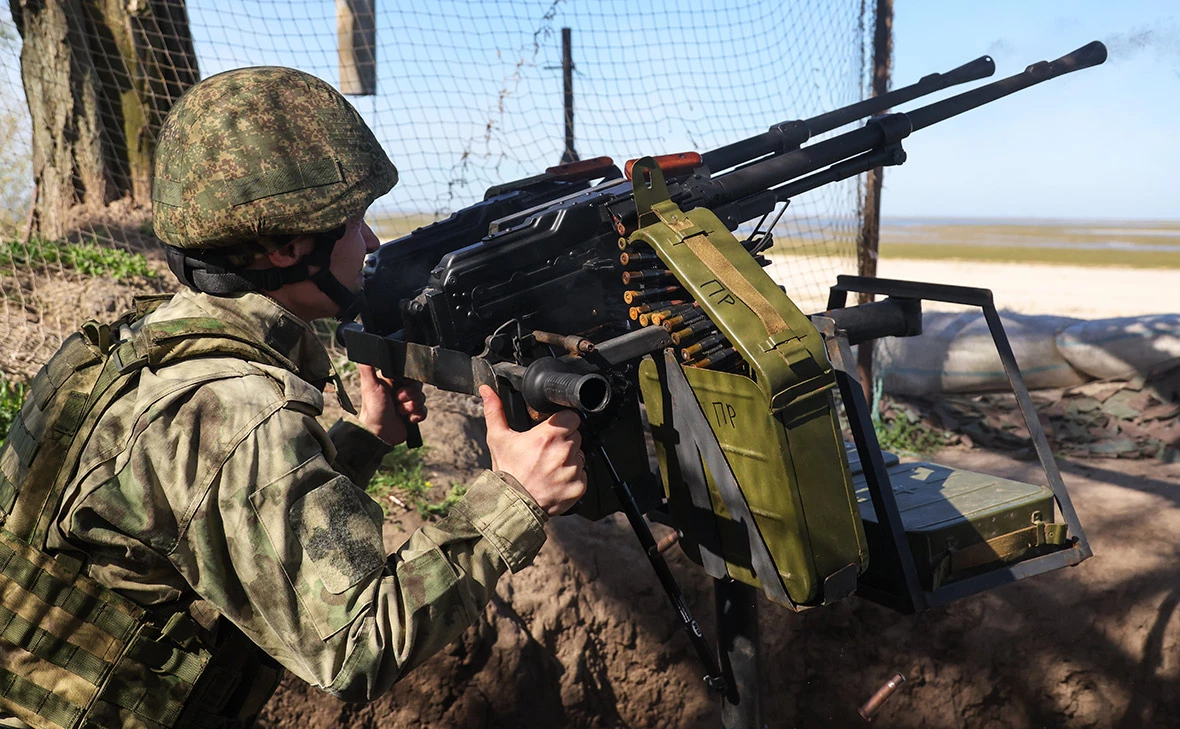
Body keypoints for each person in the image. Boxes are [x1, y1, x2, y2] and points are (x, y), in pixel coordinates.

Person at [0, 67, 587, 729]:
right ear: (288, 248)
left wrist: (367, 437)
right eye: (356, 222)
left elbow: (213, 514)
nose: (371, 242)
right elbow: (358, 644)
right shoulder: (240, 412)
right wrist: (513, 496)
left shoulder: (144, 346)